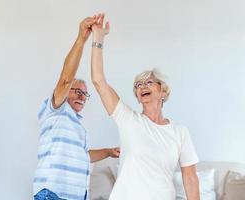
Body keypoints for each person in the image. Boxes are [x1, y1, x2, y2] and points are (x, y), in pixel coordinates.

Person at [90, 13, 200, 200]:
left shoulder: (179, 132)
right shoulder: (128, 120)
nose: (142, 87)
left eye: (149, 82)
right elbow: (99, 80)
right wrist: (98, 39)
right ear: (138, 97)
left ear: (163, 92)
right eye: (138, 85)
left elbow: (190, 177)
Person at [33, 15, 120, 200]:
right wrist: (82, 38)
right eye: (76, 91)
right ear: (66, 92)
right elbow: (65, 79)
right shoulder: (55, 110)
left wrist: (108, 152)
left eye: (84, 93)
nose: (82, 96)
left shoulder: (78, 126)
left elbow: (84, 156)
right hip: (53, 193)